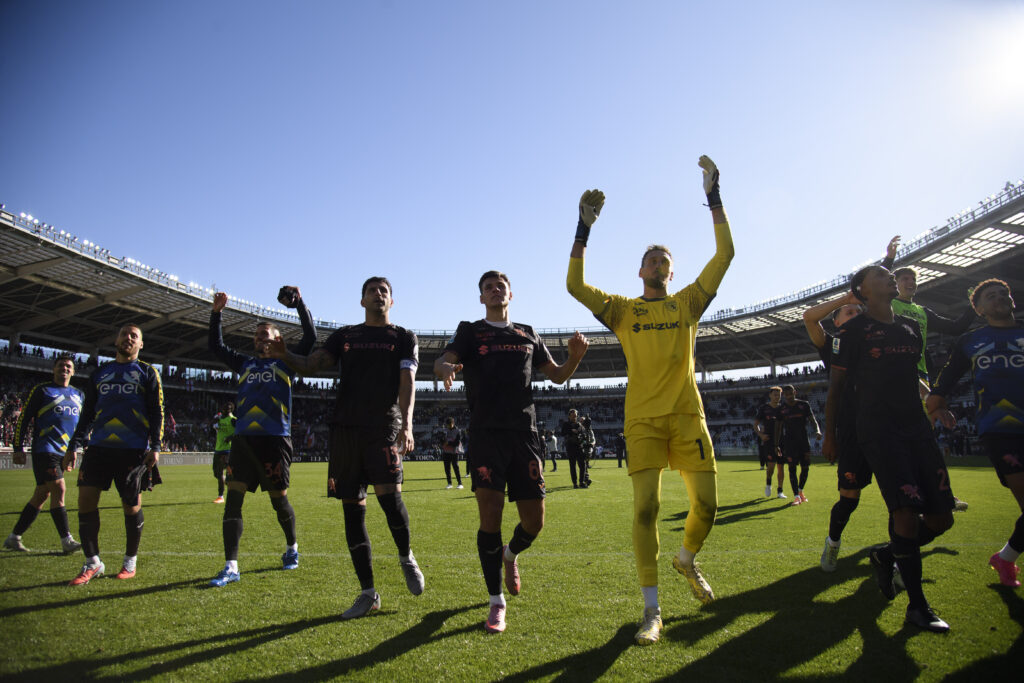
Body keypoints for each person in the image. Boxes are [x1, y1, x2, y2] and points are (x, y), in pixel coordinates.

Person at [567, 155, 734, 645]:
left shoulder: (687, 304)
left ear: (671, 272)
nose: (659, 265)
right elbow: (574, 285)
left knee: (707, 507)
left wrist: (714, 198)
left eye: (666, 262)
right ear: (639, 269)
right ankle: (651, 611)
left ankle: (686, 559)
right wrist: (582, 228)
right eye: (652, 260)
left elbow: (725, 255)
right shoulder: (622, 311)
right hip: (641, 420)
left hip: (687, 415)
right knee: (645, 511)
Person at [434, 270, 589, 634]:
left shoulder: (527, 333)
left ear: (510, 294)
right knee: (490, 517)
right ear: (482, 297)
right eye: (488, 287)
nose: (494, 290)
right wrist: (445, 370)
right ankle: (495, 602)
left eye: (499, 285)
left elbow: (557, 376)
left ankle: (510, 554)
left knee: (534, 522)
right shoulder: (471, 331)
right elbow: (443, 360)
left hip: (525, 434)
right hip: (486, 434)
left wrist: (575, 357)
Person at [269, 276, 424, 619]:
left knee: (390, 499)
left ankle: (405, 555)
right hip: (345, 431)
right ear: (362, 300)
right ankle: (368, 593)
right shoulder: (345, 336)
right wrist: (285, 354)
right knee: (352, 511)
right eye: (372, 290)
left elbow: (407, 382)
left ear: (392, 302)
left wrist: (408, 424)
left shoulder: (402, 337)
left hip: (385, 425)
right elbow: (312, 365)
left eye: (384, 291)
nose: (378, 295)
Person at [824, 265, 955, 632]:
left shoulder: (910, 328)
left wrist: (935, 401)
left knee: (942, 518)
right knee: (906, 512)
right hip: (879, 431)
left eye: (889, 275)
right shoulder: (851, 331)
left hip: (917, 428)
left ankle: (886, 554)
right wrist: (830, 435)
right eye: (880, 276)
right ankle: (918, 607)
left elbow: (910, 375)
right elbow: (835, 389)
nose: (889, 278)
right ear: (863, 290)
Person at [206, 285, 316, 587]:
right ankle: (231, 566)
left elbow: (311, 339)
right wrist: (216, 314)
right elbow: (215, 347)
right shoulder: (245, 364)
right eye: (256, 336)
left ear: (277, 340)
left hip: (274, 440)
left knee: (278, 500)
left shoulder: (286, 363)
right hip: (243, 441)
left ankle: (292, 548)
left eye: (264, 336)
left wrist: (300, 304)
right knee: (233, 501)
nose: (259, 340)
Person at [928, 279, 1023, 587]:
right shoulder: (970, 341)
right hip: (1000, 430)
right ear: (979, 309)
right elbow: (944, 383)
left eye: (1004, 293)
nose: (1000, 298)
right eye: (991, 296)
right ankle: (1006, 558)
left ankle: (1005, 558)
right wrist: (937, 406)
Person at [63, 324, 164, 585]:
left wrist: (156, 446)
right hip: (98, 447)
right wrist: (74, 445)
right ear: (116, 339)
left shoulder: (147, 372)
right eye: (124, 334)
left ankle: (130, 561)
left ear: (141, 345)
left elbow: (157, 412)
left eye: (134, 336)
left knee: (131, 507)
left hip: (132, 450)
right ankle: (92, 562)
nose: (128, 338)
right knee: (85, 500)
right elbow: (87, 414)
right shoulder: (101, 373)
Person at [802, 291, 872, 569]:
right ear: (837, 322)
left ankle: (898, 556)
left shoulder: (875, 343)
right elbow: (808, 318)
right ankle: (833, 542)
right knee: (849, 498)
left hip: (883, 426)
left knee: (900, 497)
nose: (855, 315)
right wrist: (848, 297)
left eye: (858, 312)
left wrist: (930, 397)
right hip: (850, 430)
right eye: (849, 313)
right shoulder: (832, 343)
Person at [4, 355, 83, 554]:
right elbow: (24, 418)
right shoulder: (42, 390)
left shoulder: (79, 395)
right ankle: (67, 540)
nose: (64, 368)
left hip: (63, 451)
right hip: (44, 449)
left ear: (73, 371)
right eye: (61, 365)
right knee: (59, 489)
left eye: (68, 366)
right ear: (53, 369)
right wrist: (18, 448)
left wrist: (74, 449)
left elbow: (80, 426)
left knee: (42, 494)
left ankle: (14, 537)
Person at [776, 385, 821, 505]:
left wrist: (817, 430)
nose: (789, 396)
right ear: (784, 395)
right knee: (792, 469)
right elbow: (778, 428)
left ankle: (800, 491)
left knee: (805, 468)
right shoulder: (782, 409)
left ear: (795, 392)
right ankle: (796, 496)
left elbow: (813, 420)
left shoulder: (804, 405)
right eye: (786, 394)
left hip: (803, 441)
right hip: (789, 443)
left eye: (791, 393)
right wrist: (776, 444)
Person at [753, 387, 786, 499]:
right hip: (769, 441)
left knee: (781, 466)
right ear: (770, 396)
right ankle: (768, 484)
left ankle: (780, 491)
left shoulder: (783, 408)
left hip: (781, 440)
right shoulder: (764, 408)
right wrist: (761, 435)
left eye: (779, 395)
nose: (777, 397)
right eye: (775, 395)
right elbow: (755, 424)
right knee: (771, 466)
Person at [212, 401, 236, 504]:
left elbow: (240, 433)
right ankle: (227, 480)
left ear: (230, 410)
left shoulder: (233, 420)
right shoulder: (219, 418)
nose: (224, 411)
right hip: (218, 449)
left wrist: (230, 437)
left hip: (227, 450)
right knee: (216, 473)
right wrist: (214, 421)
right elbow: (214, 426)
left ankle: (220, 496)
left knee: (221, 471)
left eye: (226, 409)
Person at [561, 409, 588, 488]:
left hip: (579, 446)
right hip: (570, 446)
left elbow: (584, 434)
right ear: (569, 416)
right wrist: (571, 431)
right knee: (572, 466)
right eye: (573, 416)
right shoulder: (566, 424)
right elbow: (562, 433)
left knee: (582, 465)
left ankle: (581, 482)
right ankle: (575, 483)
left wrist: (581, 435)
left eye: (575, 416)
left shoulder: (579, 424)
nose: (574, 418)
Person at [442, 417, 465, 489]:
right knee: (447, 468)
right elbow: (442, 440)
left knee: (456, 467)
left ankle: (460, 483)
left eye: (449, 424)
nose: (448, 426)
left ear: (452, 423)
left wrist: (448, 443)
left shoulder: (458, 431)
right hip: (446, 452)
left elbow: (457, 443)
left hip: (454, 452)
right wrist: (443, 442)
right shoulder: (445, 431)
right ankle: (449, 483)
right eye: (447, 425)